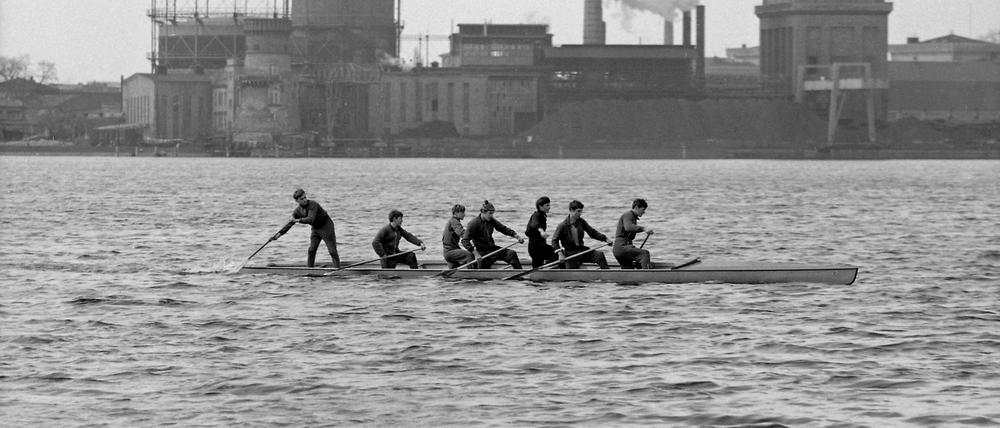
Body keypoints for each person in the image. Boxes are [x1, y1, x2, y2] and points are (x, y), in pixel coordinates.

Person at [461, 200, 525, 269]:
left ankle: (520, 272)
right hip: (481, 251)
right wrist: (475, 254)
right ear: (483, 212)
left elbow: (503, 229)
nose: (491, 216)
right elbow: (465, 241)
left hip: (492, 249)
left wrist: (516, 236)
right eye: (490, 213)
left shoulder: (491, 220)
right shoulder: (474, 223)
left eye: (492, 214)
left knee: (511, 254)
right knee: (483, 266)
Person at [551, 200, 613, 269]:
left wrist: (605, 239)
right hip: (571, 255)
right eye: (578, 211)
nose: (580, 214)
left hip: (582, 251)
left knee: (599, 255)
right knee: (572, 274)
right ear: (571, 210)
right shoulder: (562, 226)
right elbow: (554, 241)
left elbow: (592, 232)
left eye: (581, 211)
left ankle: (606, 273)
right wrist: (560, 253)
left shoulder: (581, 221)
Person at [290, 188, 340, 268]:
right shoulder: (297, 211)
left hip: (326, 226)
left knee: (332, 251)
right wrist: (278, 234)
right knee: (311, 250)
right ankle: (310, 269)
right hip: (316, 229)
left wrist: (298, 220)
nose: (305, 200)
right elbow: (290, 223)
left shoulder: (313, 204)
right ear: (297, 201)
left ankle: (337, 269)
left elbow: (311, 219)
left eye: (305, 197)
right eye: (302, 199)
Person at [613, 198, 654, 269]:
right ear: (636, 207)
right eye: (643, 209)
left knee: (629, 269)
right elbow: (628, 227)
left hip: (620, 249)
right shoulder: (628, 215)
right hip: (622, 247)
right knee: (644, 254)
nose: (644, 212)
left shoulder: (633, 217)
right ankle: (647, 274)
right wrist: (644, 229)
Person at [525, 196, 560, 269]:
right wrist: (542, 231)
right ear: (540, 206)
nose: (549, 207)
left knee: (538, 267)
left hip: (538, 246)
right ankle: (552, 270)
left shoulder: (542, 215)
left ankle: (548, 270)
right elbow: (534, 224)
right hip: (536, 248)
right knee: (558, 254)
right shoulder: (536, 215)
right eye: (547, 205)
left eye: (549, 205)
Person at [442, 204, 475, 268]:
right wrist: (473, 236)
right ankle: (472, 272)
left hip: (450, 251)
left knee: (454, 269)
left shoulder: (453, 221)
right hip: (450, 251)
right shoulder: (454, 221)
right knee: (469, 255)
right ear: (456, 213)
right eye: (462, 212)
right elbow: (461, 232)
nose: (464, 215)